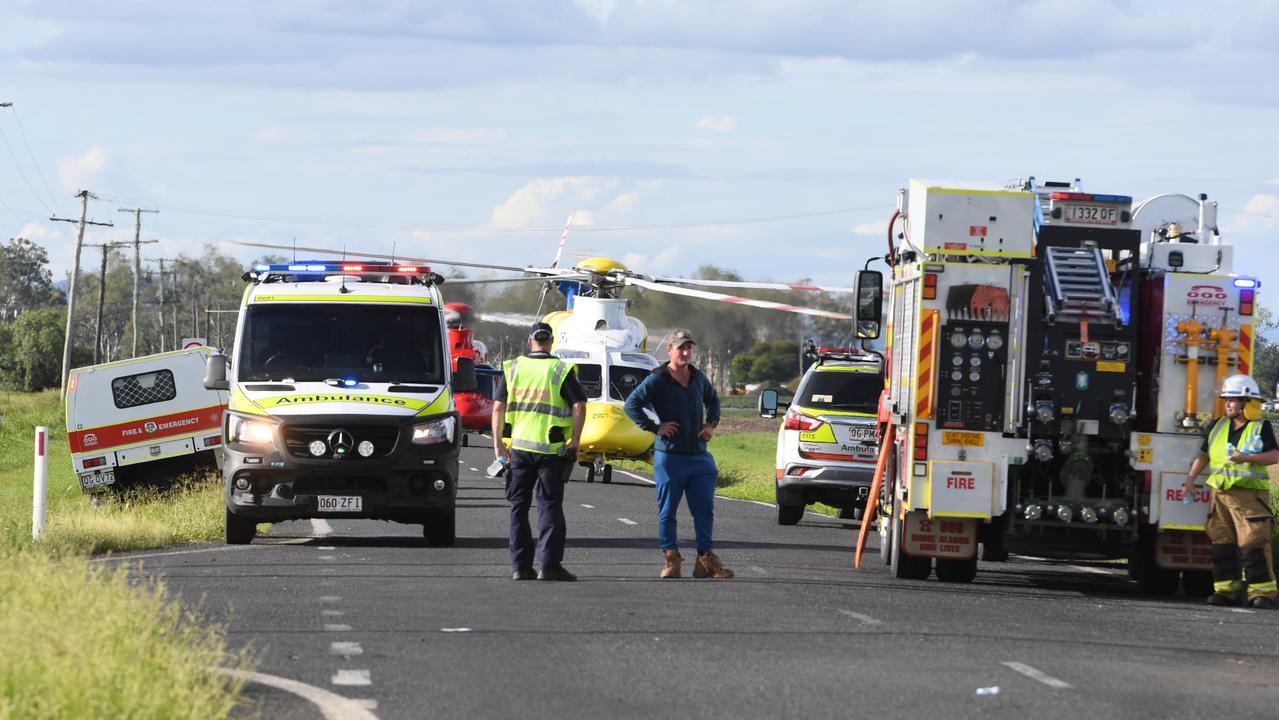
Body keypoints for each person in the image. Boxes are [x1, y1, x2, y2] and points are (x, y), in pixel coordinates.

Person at [623, 330, 733, 579]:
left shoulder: (697, 377)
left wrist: (711, 424)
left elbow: (713, 400)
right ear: (669, 350)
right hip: (669, 457)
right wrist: (655, 427)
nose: (685, 353)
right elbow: (631, 404)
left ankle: (705, 559)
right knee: (668, 511)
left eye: (689, 348)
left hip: (698, 456)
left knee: (704, 509)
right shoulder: (658, 379)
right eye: (681, 348)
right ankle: (671, 559)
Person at [492, 322, 587, 582]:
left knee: (518, 508)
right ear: (551, 341)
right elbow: (579, 405)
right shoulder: (560, 369)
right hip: (552, 451)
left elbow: (498, 407)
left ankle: (521, 567)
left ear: (530, 340)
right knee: (549, 507)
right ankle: (549, 566)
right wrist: (575, 441)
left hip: (520, 450)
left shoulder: (513, 368)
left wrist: (498, 443)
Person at [1183, 374, 1278, 608]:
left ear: (1247, 402)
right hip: (1220, 497)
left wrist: (1245, 457)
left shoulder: (1260, 427)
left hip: (1249, 497)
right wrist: (1190, 479)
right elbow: (1204, 455)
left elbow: (1274, 456)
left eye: (1232, 400)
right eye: (1225, 400)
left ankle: (1262, 595)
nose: (1227, 404)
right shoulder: (1218, 425)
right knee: (1221, 545)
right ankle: (1226, 592)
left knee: (1253, 545)